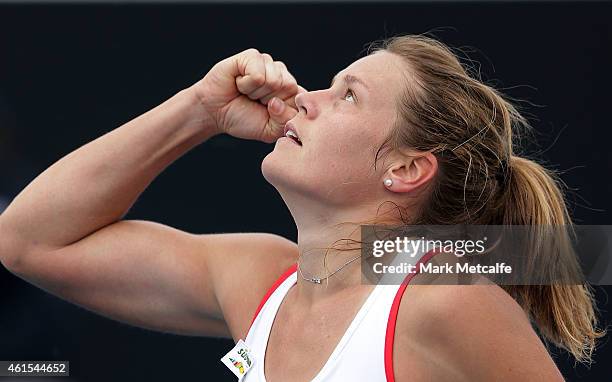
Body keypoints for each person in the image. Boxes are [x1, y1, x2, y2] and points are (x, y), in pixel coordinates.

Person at [0, 34, 604, 381]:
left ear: (405, 169)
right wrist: (199, 111)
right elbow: (29, 242)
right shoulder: (262, 279)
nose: (305, 99)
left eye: (348, 95)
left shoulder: (449, 299)